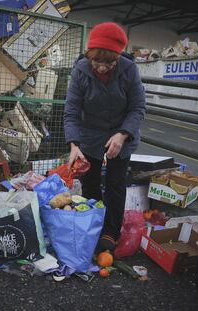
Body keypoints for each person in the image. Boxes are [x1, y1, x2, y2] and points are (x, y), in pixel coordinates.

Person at [64, 22, 146, 252]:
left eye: (108, 62)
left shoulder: (129, 70)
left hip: (122, 133)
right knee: (90, 182)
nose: (101, 67)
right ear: (89, 56)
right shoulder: (80, 71)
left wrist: (122, 134)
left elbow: (138, 107)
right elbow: (71, 112)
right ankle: (93, 224)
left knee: (115, 184)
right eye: (96, 62)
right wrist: (74, 145)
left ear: (117, 57)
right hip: (90, 134)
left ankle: (110, 232)